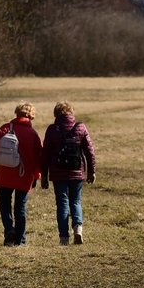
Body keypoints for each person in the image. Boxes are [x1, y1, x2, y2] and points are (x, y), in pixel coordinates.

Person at [41, 101, 96, 245]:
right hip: (76, 171)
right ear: (71, 113)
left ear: (56, 114)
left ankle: (64, 237)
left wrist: (44, 176)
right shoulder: (81, 127)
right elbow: (90, 152)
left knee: (62, 203)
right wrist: (92, 171)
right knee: (76, 201)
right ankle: (78, 228)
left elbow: (45, 154)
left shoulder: (52, 129)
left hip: (58, 173)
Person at [0, 102, 43, 246]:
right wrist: (37, 175)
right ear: (31, 115)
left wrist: (0, 159)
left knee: (4, 204)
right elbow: (38, 157)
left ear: (17, 113)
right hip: (24, 175)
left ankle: (9, 230)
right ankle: (21, 240)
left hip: (5, 173)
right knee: (20, 207)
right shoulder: (32, 134)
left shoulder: (5, 128)